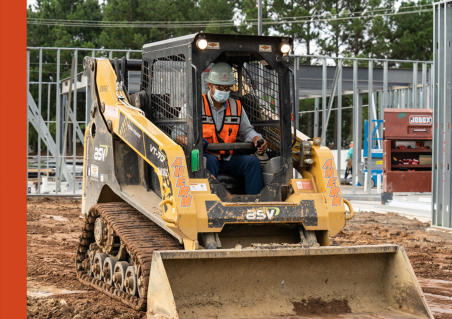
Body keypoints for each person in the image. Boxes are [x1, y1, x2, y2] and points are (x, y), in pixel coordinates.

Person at [177, 62, 267, 194]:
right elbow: (177, 132)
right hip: (205, 156)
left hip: (229, 157)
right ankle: (209, 200)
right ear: (209, 85)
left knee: (252, 162)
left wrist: (257, 138)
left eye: (227, 88)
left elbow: (247, 131)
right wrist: (191, 142)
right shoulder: (194, 106)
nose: (224, 92)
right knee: (208, 161)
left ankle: (256, 203)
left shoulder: (236, 107)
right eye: (219, 87)